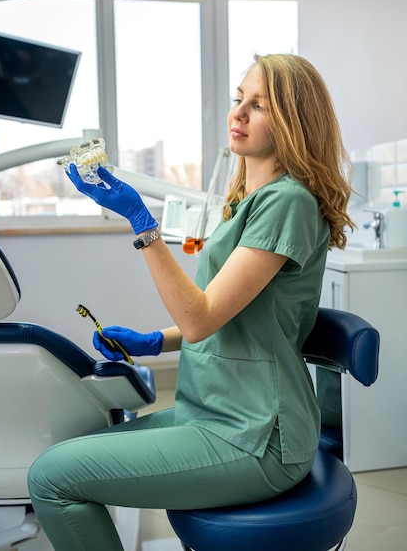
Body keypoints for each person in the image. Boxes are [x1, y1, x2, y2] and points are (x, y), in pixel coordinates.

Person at [28, 53, 355, 550]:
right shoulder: (248, 202)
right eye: (238, 99)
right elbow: (232, 316)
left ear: (295, 120)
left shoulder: (288, 202)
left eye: (260, 105)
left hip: (256, 435)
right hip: (213, 412)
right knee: (74, 448)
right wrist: (155, 340)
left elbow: (201, 318)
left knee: (52, 477)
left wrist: (143, 224)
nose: (239, 113)